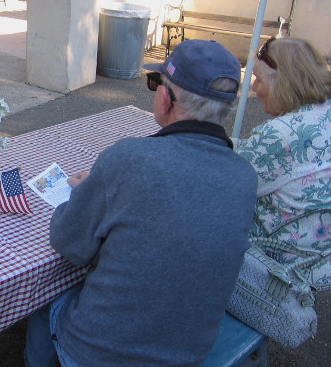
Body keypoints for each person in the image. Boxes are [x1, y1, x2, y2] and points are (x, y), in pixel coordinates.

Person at [25, 39, 258, 366]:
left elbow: (70, 245)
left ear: (166, 97)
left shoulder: (128, 158)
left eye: (156, 83)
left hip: (103, 351)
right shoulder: (245, 177)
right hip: (187, 352)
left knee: (42, 305)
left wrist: (83, 191)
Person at [235, 37, 331, 289]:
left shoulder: (281, 134)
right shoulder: (323, 113)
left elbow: (227, 182)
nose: (254, 87)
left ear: (283, 81)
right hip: (321, 255)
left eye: (259, 78)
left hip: (280, 263)